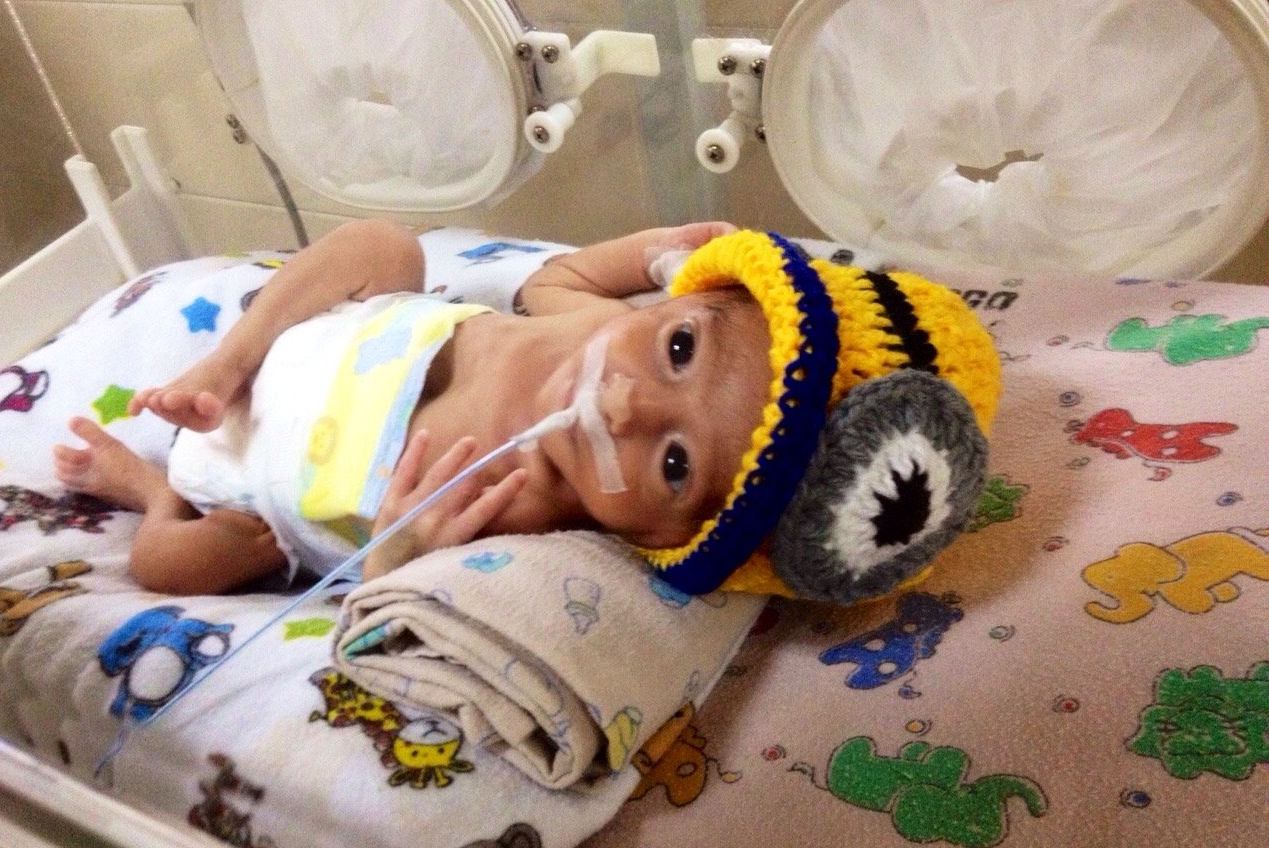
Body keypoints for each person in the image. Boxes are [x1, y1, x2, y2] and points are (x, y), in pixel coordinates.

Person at [54, 220, 1002, 605]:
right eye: (679, 349)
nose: (625, 403)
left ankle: (144, 488)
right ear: (684, 296)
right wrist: (653, 250)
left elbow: (389, 594)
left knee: (181, 564)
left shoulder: (525, 513)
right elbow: (563, 276)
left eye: (675, 463)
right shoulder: (589, 328)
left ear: (672, 538)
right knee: (387, 244)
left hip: (244, 481)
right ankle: (225, 358)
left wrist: (395, 550)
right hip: (308, 340)